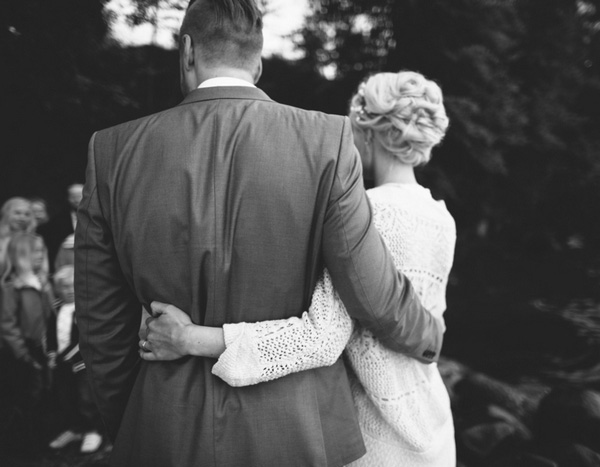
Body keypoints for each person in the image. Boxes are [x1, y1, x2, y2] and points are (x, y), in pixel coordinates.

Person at [74, 1, 444, 466]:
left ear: (187, 50)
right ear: (259, 62)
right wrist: (430, 333)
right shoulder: (327, 140)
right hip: (297, 433)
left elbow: (99, 322)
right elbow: (371, 292)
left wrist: (133, 418)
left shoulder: (110, 151)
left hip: (161, 426)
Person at [141, 71, 457, 466]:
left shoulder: (369, 213)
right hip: (432, 425)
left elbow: (321, 338)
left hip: (379, 435)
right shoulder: (440, 217)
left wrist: (189, 338)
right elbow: (430, 325)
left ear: (369, 131)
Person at [46, 265, 103, 454]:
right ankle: (75, 428)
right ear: (57, 289)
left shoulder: (84, 308)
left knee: (86, 397)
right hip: (62, 363)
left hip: (81, 363)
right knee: (66, 396)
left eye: (73, 286)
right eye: (64, 287)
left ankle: (93, 430)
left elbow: (84, 337)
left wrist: (67, 357)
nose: (70, 290)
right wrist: (52, 353)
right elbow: (50, 333)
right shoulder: (56, 308)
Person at [0, 233, 52, 423]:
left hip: (42, 347)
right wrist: (24, 355)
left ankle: (38, 443)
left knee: (42, 393)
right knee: (25, 397)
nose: (40, 254)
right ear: (21, 254)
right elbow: (7, 325)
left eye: (41, 250)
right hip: (22, 352)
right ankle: (23, 447)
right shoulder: (11, 287)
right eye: (34, 251)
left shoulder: (43, 281)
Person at [40, 183, 83, 271]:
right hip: (66, 265)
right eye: (73, 196)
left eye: (79, 196)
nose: (76, 200)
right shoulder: (57, 221)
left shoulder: (100, 218)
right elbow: (52, 246)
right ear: (68, 198)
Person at [0, 197, 36, 276]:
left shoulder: (35, 241)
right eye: (17, 213)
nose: (22, 218)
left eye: (27, 214)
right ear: (7, 214)